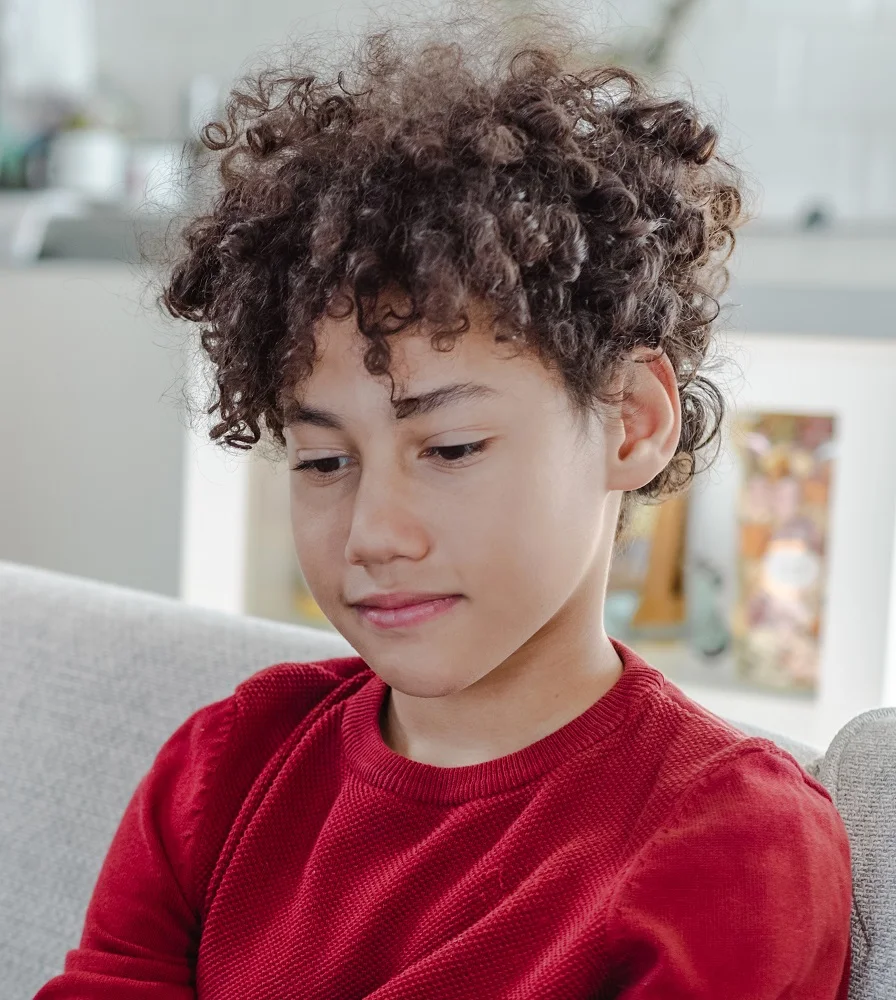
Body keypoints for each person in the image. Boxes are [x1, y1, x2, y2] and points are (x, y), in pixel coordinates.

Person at [34, 1, 852, 996]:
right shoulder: (221, 770)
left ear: (631, 422)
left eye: (451, 445)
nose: (371, 535)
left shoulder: (727, 844)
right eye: (323, 462)